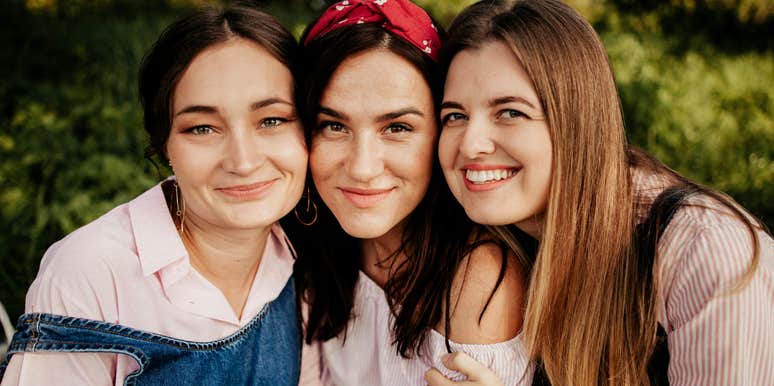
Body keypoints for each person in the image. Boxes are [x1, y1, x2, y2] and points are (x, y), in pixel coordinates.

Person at [426, 0, 774, 385]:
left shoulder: (704, 252)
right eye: (454, 116)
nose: (471, 144)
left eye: (510, 112)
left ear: (577, 120)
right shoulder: (485, 237)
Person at [0, 4, 310, 385]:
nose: (243, 161)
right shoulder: (92, 272)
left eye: (272, 120)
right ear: (165, 146)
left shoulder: (310, 250)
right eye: (202, 128)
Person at [285, 0, 531, 385]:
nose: (363, 167)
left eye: (397, 127)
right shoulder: (311, 247)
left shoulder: (478, 277)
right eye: (334, 125)